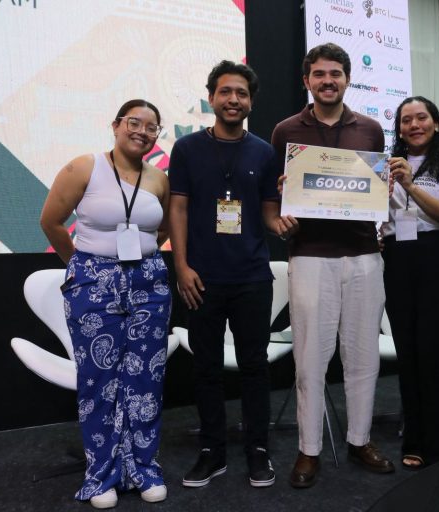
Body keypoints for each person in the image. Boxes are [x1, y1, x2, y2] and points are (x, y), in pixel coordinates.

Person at [271, 42, 394, 488]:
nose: (328, 81)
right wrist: (283, 201)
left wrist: (381, 194)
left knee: (363, 355)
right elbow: (274, 195)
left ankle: (360, 440)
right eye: (319, 74)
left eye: (335, 74)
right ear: (307, 80)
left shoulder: (371, 129)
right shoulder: (286, 130)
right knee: (309, 359)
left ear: (347, 79)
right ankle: (309, 450)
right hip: (309, 256)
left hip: (364, 255)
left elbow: (375, 188)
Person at [168, 60, 294, 489]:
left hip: (252, 277)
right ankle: (212, 452)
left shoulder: (264, 152)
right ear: (211, 97)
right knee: (206, 369)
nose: (233, 99)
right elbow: (178, 209)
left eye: (241, 93)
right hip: (201, 277)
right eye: (225, 92)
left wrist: (285, 224)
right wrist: (181, 267)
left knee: (254, 367)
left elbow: (269, 214)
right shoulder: (186, 149)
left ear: (251, 101)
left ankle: (257, 450)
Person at [40, 99, 171, 508]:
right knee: (99, 380)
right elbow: (50, 221)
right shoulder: (85, 167)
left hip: (149, 283)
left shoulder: (158, 178)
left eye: (151, 127)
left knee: (146, 377)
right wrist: (83, 268)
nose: (142, 131)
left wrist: (141, 260)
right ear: (116, 125)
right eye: (134, 122)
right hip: (94, 283)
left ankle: (143, 467)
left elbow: (163, 228)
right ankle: (101, 474)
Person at [382, 96, 439, 469]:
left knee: (438, 352)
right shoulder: (384, 166)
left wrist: (411, 185)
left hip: (438, 256)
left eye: (421, 118)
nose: (414, 125)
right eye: (406, 120)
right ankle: (414, 440)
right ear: (399, 129)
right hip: (397, 257)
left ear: (435, 124)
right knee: (409, 352)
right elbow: (376, 218)